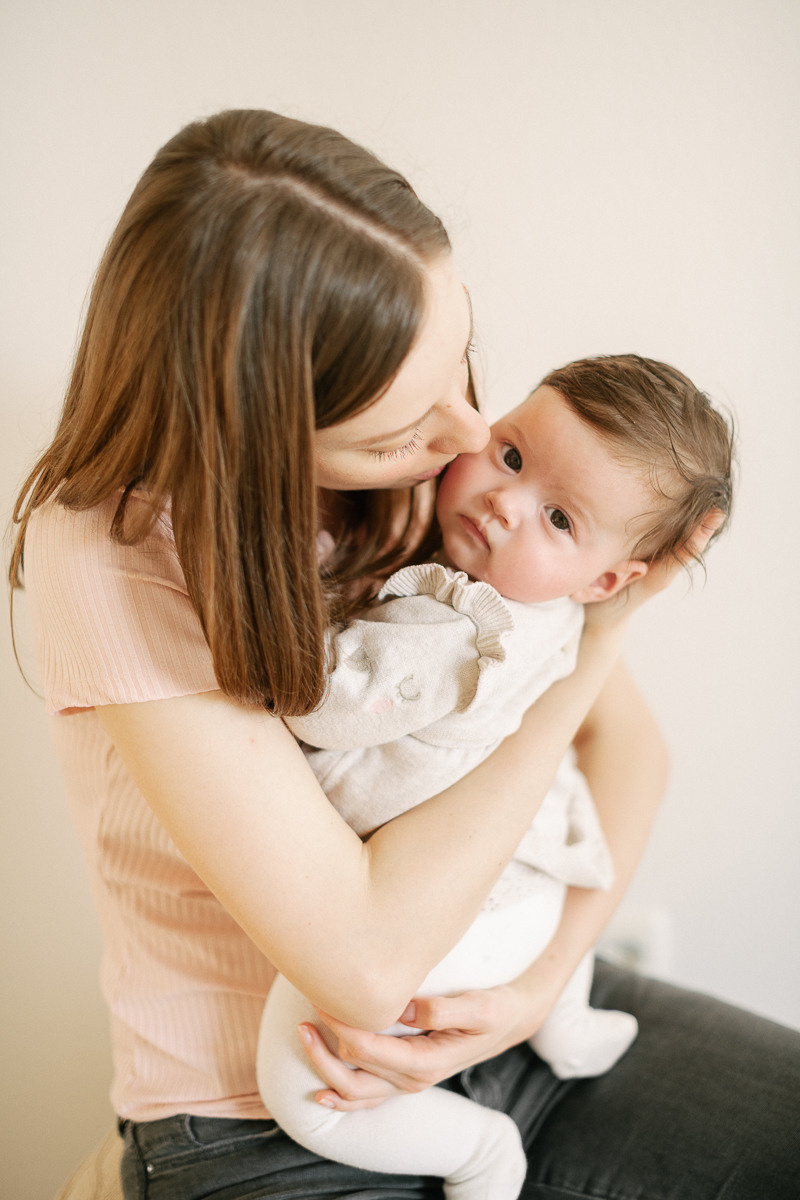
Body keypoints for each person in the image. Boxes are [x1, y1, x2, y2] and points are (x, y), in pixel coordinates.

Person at [8, 109, 799, 1200]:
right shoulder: (113, 554)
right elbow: (365, 964)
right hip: (281, 1107)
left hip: (504, 1012)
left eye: (462, 367)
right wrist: (592, 640)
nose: (468, 443)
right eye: (397, 434)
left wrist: (537, 987)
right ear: (255, 431)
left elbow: (633, 754)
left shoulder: (460, 470)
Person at [256, 355, 734, 1198]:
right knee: (548, 797)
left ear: (610, 581)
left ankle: (479, 1153)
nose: (504, 501)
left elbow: (319, 707)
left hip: (459, 930)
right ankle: (568, 1019)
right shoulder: (556, 609)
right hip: (537, 891)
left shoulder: (455, 622)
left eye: (557, 517)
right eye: (512, 455)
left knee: (303, 1089)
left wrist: (289, 610)